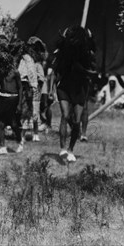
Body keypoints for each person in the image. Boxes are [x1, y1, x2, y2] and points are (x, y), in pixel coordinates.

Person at [52, 26, 96, 163]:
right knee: (65, 116)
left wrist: (83, 70)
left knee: (76, 121)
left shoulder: (88, 56)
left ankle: (71, 149)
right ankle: (63, 148)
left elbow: (93, 72)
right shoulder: (62, 55)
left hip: (79, 89)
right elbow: (56, 71)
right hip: (64, 88)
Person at [0, 49, 22, 155]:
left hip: (13, 98)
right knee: (0, 123)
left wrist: (19, 103)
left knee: (13, 122)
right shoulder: (0, 72)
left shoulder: (15, 72)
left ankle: (20, 141)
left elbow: (20, 88)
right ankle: (2, 146)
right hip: (2, 98)